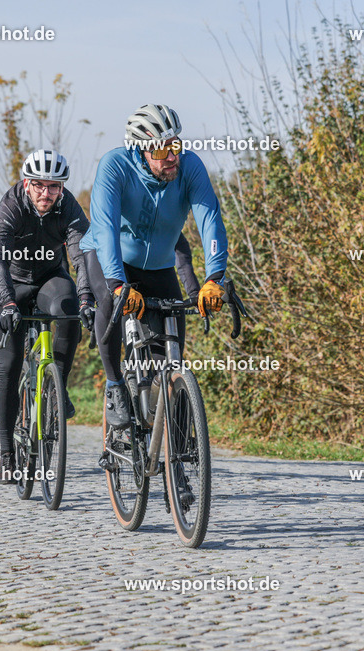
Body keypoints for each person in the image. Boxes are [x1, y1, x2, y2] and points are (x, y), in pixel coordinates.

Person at [79, 104, 229, 431]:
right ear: (140, 150)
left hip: (159, 269)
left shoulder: (190, 167)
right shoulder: (115, 166)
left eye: (175, 145)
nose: (172, 155)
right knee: (109, 299)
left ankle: (175, 443)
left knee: (171, 361)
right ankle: (115, 384)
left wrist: (214, 277)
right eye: (162, 149)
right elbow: (104, 228)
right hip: (109, 258)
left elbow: (210, 221)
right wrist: (118, 284)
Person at [0, 149, 93, 482]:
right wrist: (7, 303)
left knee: (69, 308)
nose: (47, 193)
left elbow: (82, 253)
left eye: (54, 186)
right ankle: (5, 450)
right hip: (12, 283)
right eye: (40, 185)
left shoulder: (68, 206)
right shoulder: (11, 206)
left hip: (49, 278)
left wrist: (88, 296)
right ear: (26, 183)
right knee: (10, 363)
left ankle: (56, 385)